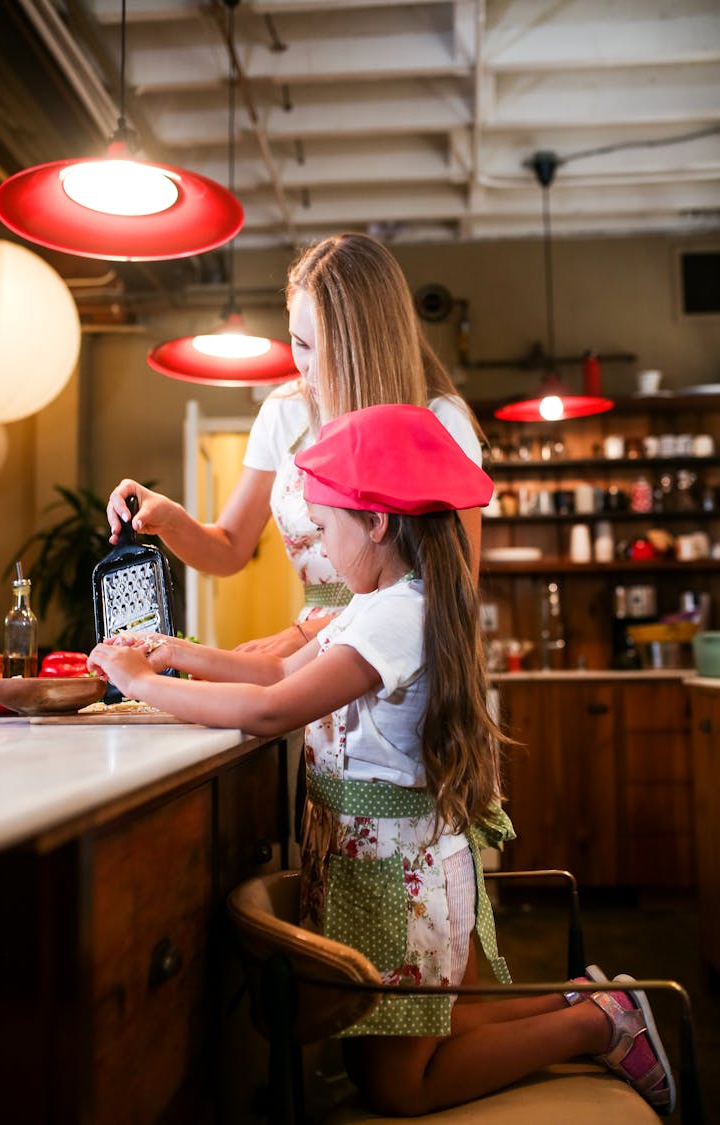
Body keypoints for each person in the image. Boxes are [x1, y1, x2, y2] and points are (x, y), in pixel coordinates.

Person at [89, 405, 674, 1118]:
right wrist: (175, 654)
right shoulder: (375, 602)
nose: (323, 553)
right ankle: (589, 1001)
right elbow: (277, 676)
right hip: (382, 872)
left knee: (398, 1082)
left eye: (328, 529)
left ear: (377, 523)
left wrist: (145, 687)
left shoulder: (398, 615)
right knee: (421, 1033)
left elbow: (276, 710)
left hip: (405, 878)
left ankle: (600, 1022)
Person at [106, 232, 485, 658]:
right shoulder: (283, 412)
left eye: (335, 350)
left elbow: (453, 592)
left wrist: (302, 636)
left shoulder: (440, 418)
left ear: (372, 346)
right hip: (314, 651)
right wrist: (171, 519)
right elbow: (230, 548)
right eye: (301, 344)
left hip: (401, 652)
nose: (312, 369)